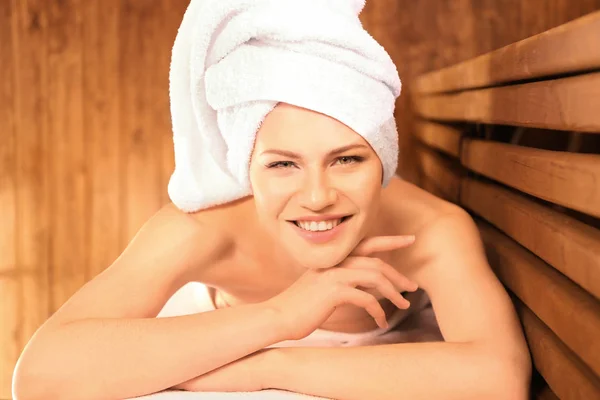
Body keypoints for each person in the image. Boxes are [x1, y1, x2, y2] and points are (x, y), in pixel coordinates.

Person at [12, 1, 531, 399]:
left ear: (384, 160)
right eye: (282, 164)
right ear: (246, 168)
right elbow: (41, 376)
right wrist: (283, 316)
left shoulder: (431, 229)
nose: (318, 197)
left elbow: (498, 376)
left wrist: (271, 363)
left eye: (347, 160)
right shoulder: (202, 228)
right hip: (216, 328)